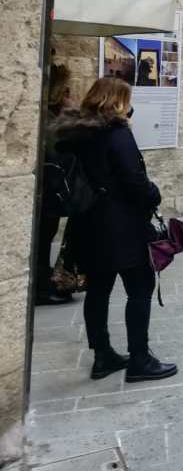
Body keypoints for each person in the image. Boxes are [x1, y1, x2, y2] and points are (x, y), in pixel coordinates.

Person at [54, 77, 176, 382]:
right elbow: (134, 181)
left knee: (98, 289)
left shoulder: (76, 134)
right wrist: (154, 193)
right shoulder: (116, 133)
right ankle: (140, 359)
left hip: (88, 224)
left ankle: (103, 355)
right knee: (140, 287)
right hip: (122, 226)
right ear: (118, 101)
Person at [36, 64, 75, 305]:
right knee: (41, 238)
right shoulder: (49, 122)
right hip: (49, 191)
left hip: (51, 191)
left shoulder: (53, 119)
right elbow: (55, 154)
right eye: (67, 91)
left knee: (45, 238)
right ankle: (41, 287)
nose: (71, 95)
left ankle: (44, 280)